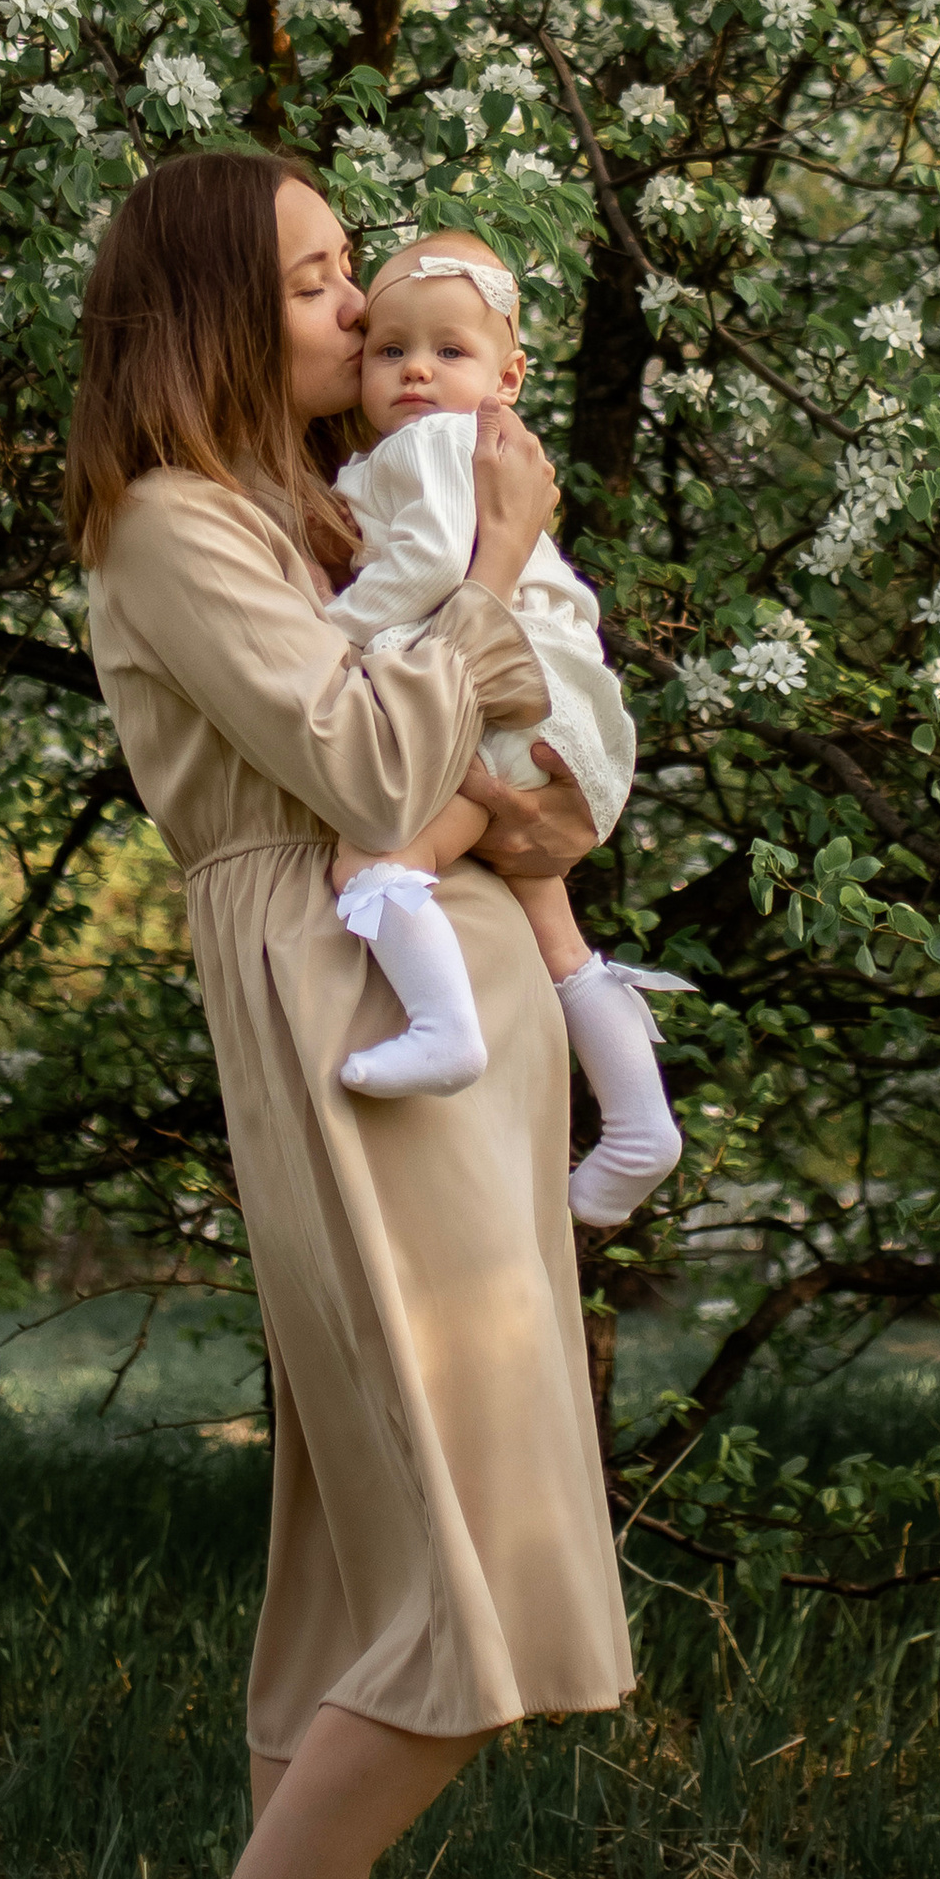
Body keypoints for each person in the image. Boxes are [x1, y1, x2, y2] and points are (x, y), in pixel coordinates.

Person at [31, 146, 632, 1879]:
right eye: (308, 288)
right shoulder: (172, 529)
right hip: (345, 1013)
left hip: (445, 1008)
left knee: (361, 1582)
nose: (356, 325)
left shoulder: (326, 512)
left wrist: (490, 683)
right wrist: (477, 589)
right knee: (465, 1598)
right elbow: (379, 766)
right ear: (208, 311)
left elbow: (534, 789)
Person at [321, 226, 687, 1231]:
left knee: (374, 863)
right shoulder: (467, 443)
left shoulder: (436, 442)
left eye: (449, 351)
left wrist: (332, 630)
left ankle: (443, 1026)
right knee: (555, 931)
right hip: (561, 714)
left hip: (502, 697)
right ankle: (639, 1126)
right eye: (391, 351)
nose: (416, 371)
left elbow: (437, 561)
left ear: (508, 375)